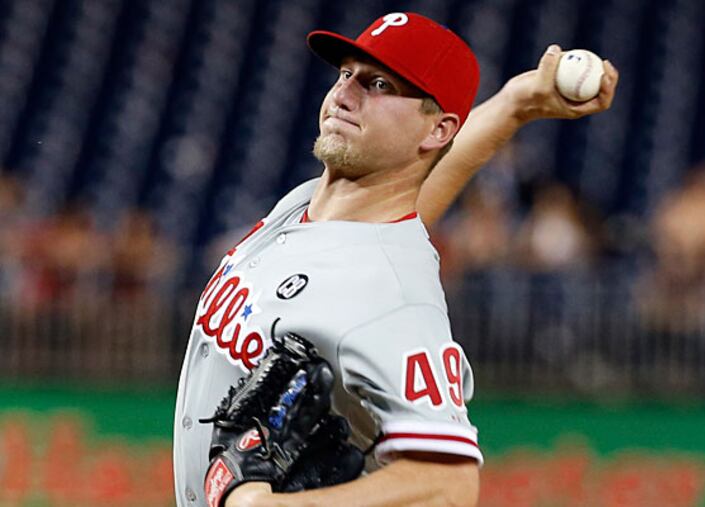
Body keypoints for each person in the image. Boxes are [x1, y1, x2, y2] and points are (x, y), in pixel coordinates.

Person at [173, 12, 618, 507]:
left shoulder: (396, 297)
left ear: (439, 129)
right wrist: (514, 105)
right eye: (346, 73)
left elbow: (449, 485)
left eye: (379, 83)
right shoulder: (313, 207)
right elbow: (408, 192)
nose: (344, 94)